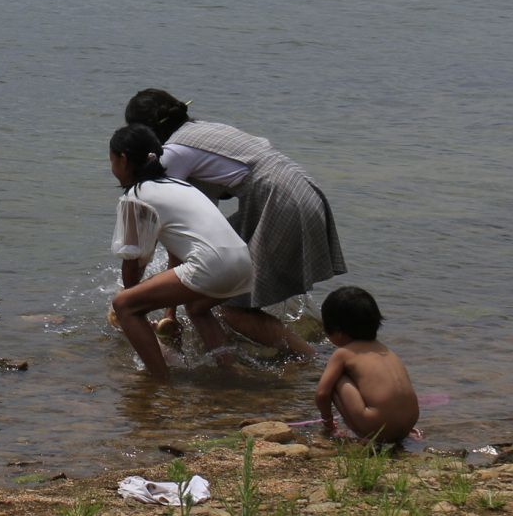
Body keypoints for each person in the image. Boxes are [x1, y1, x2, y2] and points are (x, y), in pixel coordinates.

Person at [125, 88, 344, 357]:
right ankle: (233, 359)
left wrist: (147, 303)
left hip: (278, 201)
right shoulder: (204, 131)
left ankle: (308, 360)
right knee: (210, 293)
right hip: (301, 190)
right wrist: (170, 314)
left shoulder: (172, 155)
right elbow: (193, 237)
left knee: (230, 306)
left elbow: (177, 238)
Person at [107, 124, 254, 377]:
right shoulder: (179, 184)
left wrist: (131, 305)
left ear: (123, 159)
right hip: (243, 264)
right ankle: (229, 370)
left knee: (124, 304)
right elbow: (177, 249)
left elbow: (132, 261)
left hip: (214, 266)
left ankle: (160, 382)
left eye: (111, 160)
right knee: (197, 308)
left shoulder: (136, 196)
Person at [315, 286, 419, 444]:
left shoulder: (344, 353)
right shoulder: (385, 350)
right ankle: (398, 431)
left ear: (337, 331)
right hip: (409, 423)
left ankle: (365, 435)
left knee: (335, 379)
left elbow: (322, 394)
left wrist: (328, 423)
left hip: (376, 428)